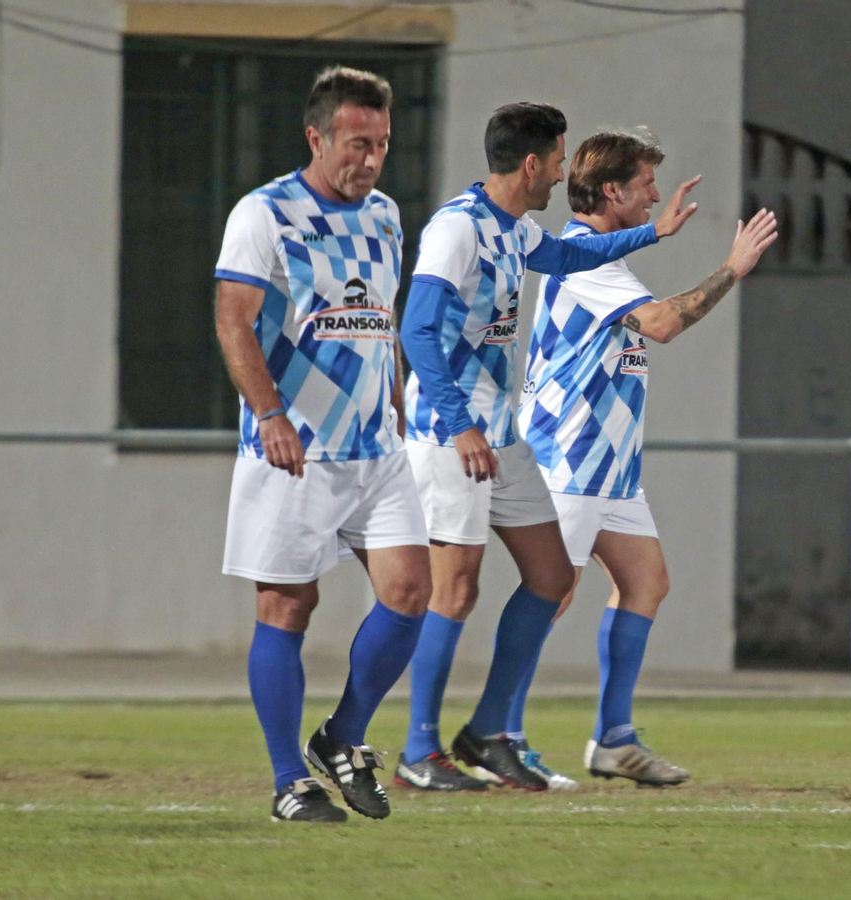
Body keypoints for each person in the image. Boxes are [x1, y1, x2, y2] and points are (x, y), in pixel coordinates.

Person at [395, 103, 700, 793]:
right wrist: (460, 422)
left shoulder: (516, 230)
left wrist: (655, 233)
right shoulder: (457, 228)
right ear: (531, 163)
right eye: (558, 161)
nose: (563, 174)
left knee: (551, 577)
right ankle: (420, 752)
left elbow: (569, 255)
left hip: (501, 434)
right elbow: (415, 332)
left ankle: (489, 733)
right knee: (454, 590)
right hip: (452, 434)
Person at [498, 128, 778, 786]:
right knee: (551, 596)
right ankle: (499, 736)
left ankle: (614, 741)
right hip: (565, 459)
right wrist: (733, 268)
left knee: (646, 582)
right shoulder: (585, 254)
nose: (655, 193)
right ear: (613, 190)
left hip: (610, 471)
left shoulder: (604, 257)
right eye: (646, 182)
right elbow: (664, 324)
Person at [213, 66, 431, 823]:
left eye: (381, 145)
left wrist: (398, 393)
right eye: (355, 143)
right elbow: (233, 319)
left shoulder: (385, 215)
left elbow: (380, 318)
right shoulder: (264, 214)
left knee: (410, 595)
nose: (368, 159)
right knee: (286, 606)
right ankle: (288, 782)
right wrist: (269, 414)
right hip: (295, 448)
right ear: (317, 136)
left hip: (377, 449)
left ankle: (341, 738)